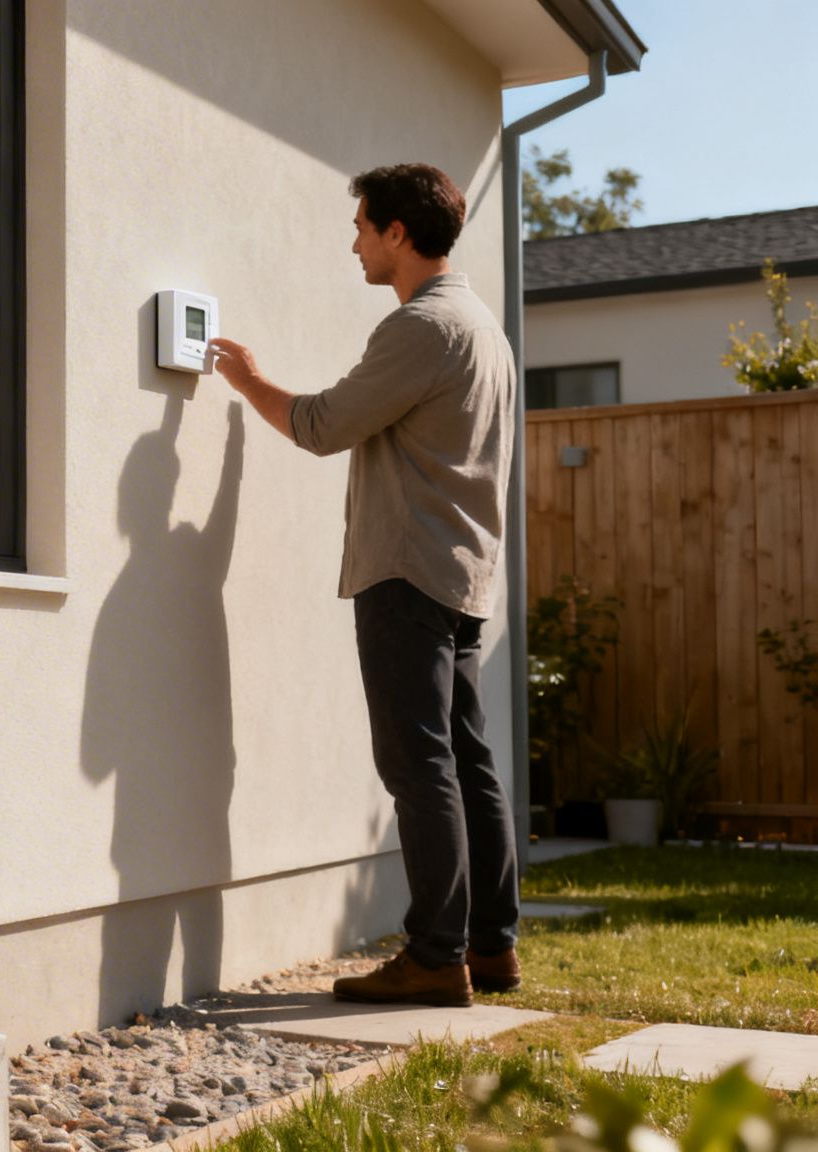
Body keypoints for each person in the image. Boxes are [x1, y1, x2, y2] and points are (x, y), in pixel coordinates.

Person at [208, 163, 519, 1008]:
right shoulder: (485, 329)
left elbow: (321, 426)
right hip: (462, 572)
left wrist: (245, 381)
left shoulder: (422, 328)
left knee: (418, 763)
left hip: (407, 569)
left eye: (361, 227)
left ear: (399, 234)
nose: (353, 242)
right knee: (466, 759)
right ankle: (489, 946)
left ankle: (434, 955)